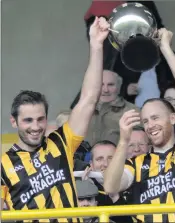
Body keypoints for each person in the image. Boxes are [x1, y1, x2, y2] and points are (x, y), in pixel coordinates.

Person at [0, 17, 110, 221]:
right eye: (28, 120)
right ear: (13, 122)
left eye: (40, 119)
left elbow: (88, 99)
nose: (36, 127)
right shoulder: (2, 165)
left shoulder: (61, 142)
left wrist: (96, 45)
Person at [104, 28, 175, 223]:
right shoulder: (137, 163)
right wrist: (124, 141)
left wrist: (166, 49)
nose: (150, 125)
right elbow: (111, 187)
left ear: (173, 118)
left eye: (155, 118)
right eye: (145, 121)